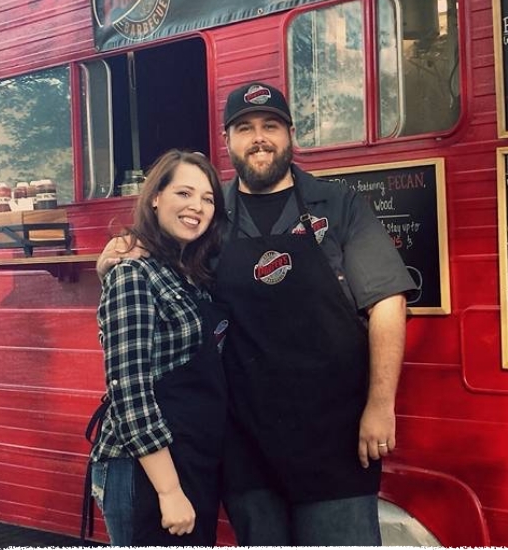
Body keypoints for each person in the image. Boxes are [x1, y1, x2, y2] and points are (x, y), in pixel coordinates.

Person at [96, 82, 416, 546]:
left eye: (270, 125)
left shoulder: (339, 204)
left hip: (335, 439)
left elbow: (387, 302)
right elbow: (155, 268)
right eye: (244, 128)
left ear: (290, 135)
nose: (258, 137)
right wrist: (113, 258)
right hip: (245, 447)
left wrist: (380, 406)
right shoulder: (210, 218)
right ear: (228, 141)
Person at [87, 150, 229, 546]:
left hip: (190, 461)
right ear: (155, 197)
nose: (196, 207)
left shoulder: (190, 274)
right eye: (183, 193)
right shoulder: (132, 273)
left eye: (207, 198)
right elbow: (129, 393)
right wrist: (169, 491)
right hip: (144, 470)